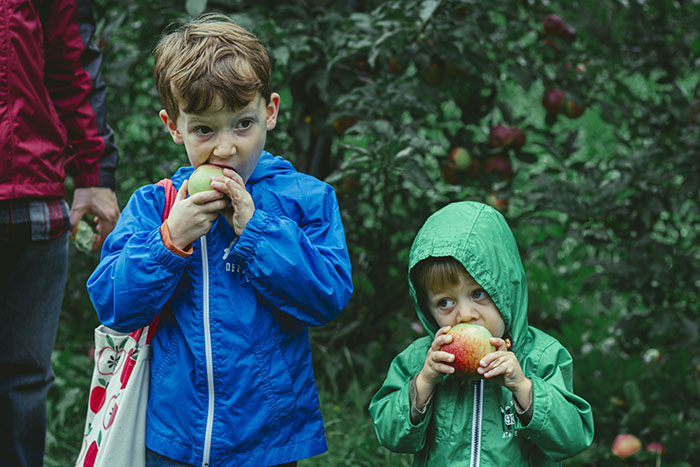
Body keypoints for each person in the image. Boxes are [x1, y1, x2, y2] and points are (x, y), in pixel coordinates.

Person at [86, 14, 353, 467]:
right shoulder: (157, 206)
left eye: (242, 124)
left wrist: (259, 230)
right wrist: (169, 240)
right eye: (205, 129)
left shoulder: (305, 199)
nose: (225, 148)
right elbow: (113, 304)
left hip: (267, 440)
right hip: (172, 437)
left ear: (270, 110)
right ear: (174, 127)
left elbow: (327, 297)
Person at [369, 201, 594, 465]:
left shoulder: (541, 356)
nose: (464, 314)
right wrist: (424, 383)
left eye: (478, 294)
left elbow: (574, 437)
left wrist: (522, 388)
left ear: (505, 290)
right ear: (427, 309)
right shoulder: (422, 359)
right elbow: (389, 435)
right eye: (445, 302)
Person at [0, 0, 120, 465]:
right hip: (34, 193)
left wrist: (94, 173)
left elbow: (72, 56)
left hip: (32, 200)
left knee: (23, 383)